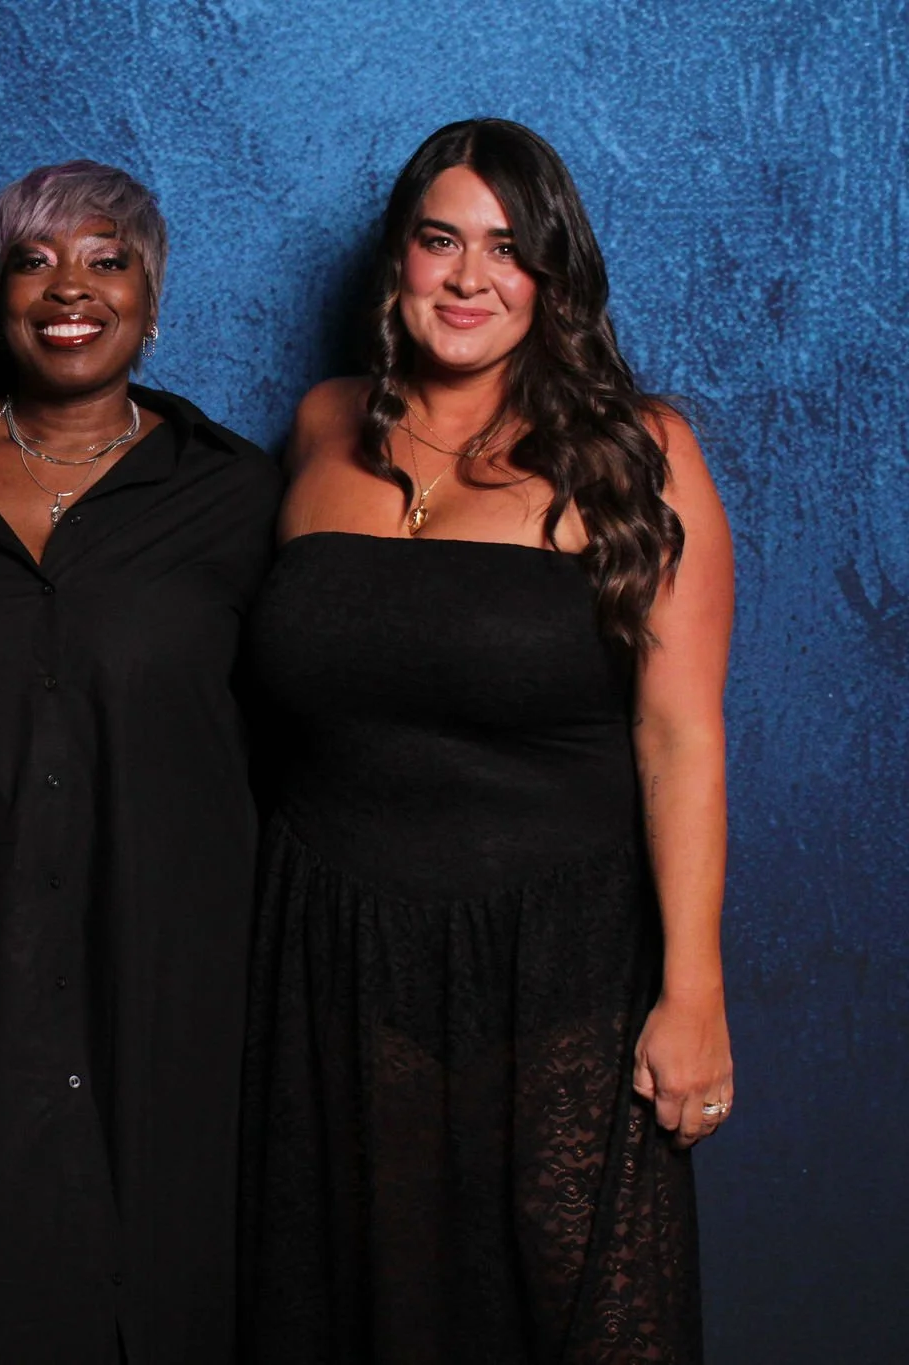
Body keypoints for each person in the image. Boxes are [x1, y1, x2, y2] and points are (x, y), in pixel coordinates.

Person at [238, 118, 732, 1363]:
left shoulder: (638, 452)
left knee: (572, 1315)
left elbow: (678, 736)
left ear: (552, 275)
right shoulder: (319, 425)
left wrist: (691, 992)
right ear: (397, 262)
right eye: (439, 240)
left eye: (507, 249)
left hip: (558, 960)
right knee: (363, 1310)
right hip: (336, 955)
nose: (468, 278)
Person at [0, 161, 281, 1362]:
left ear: (150, 297)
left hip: (164, 984)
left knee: (157, 1287)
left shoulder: (234, 495)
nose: (67, 288)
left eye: (104, 260)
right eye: (33, 261)